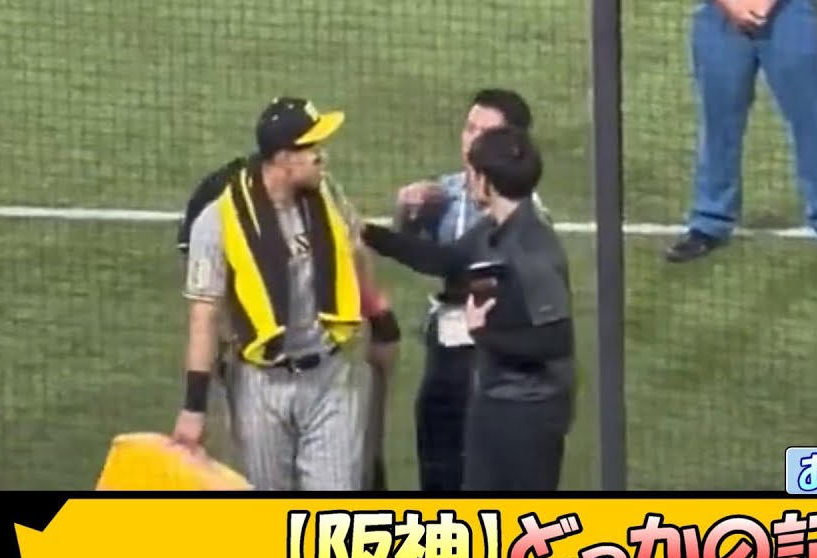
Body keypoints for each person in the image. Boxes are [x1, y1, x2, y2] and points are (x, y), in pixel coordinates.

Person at [173, 97, 401, 490]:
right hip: (259, 385)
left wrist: (378, 316)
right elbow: (204, 316)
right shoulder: (218, 221)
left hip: (330, 376)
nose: (321, 156)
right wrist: (194, 408)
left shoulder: (327, 195)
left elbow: (354, 251)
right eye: (311, 147)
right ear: (283, 159)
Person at [363, 126, 574, 492]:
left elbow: (555, 341)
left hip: (529, 414)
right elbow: (445, 260)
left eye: (474, 173)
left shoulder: (533, 251)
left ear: (486, 181)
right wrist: (368, 234)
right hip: (493, 398)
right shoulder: (493, 228)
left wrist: (483, 333)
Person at [392, 89, 539, 493]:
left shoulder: (524, 212)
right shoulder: (447, 192)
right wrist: (408, 214)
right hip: (447, 352)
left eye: (485, 133)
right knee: (437, 456)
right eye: (469, 128)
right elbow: (419, 251)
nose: (472, 141)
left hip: (494, 359)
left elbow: (458, 264)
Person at [664, 0, 817, 266]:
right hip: (719, 15)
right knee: (718, 124)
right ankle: (709, 222)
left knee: (811, 122)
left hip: (789, 12)